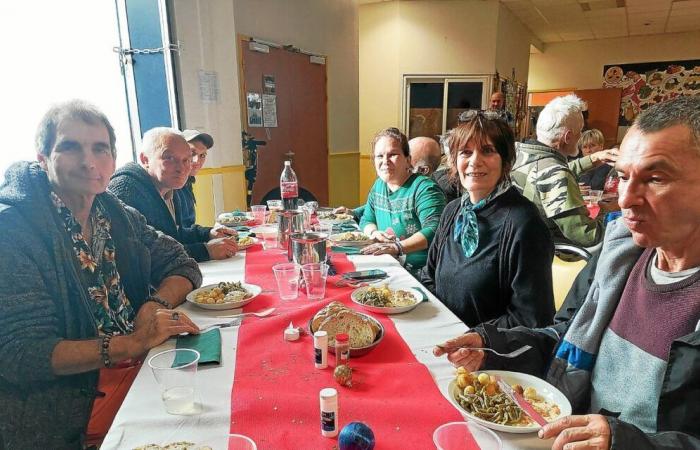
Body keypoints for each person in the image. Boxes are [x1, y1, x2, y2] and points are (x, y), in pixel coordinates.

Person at [435, 96, 700, 449]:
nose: (625, 199)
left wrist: (624, 442)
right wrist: (491, 345)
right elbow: (563, 335)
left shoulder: (521, 221)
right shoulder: (619, 254)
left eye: (654, 178)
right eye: (622, 176)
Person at [0, 100, 202, 449]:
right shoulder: (13, 229)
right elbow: (22, 354)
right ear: (43, 157)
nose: (88, 161)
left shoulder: (115, 212)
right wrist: (132, 343)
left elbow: (182, 264)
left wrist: (153, 305)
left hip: (139, 365)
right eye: (69, 146)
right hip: (68, 404)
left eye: (100, 148)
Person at [419, 111, 554, 328]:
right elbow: (429, 276)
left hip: (490, 353)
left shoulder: (524, 223)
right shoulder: (452, 211)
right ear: (454, 161)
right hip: (442, 337)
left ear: (507, 161)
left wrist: (475, 338)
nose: (475, 161)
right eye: (465, 152)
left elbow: (532, 318)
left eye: (487, 151)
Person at [108, 128, 238, 262]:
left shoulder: (169, 186)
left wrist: (208, 234)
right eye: (169, 158)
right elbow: (140, 256)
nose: (181, 168)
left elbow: (172, 235)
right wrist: (205, 250)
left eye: (186, 160)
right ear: (145, 159)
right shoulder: (126, 190)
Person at [510, 94, 611, 247]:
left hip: (520, 244)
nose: (581, 136)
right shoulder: (555, 174)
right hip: (550, 253)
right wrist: (609, 213)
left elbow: (547, 174)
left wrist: (593, 159)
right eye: (580, 131)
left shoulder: (519, 155)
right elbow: (587, 236)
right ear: (568, 137)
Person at [359, 127, 446, 275]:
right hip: (386, 266)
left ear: (408, 160)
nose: (385, 161)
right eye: (379, 156)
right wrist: (375, 233)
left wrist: (397, 247)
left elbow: (435, 229)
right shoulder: (378, 185)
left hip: (420, 275)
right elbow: (366, 219)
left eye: (392, 154)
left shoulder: (424, 188)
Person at [175, 129, 214, 228]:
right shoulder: (173, 184)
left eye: (202, 155)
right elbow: (178, 232)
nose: (197, 161)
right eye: (192, 153)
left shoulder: (188, 180)